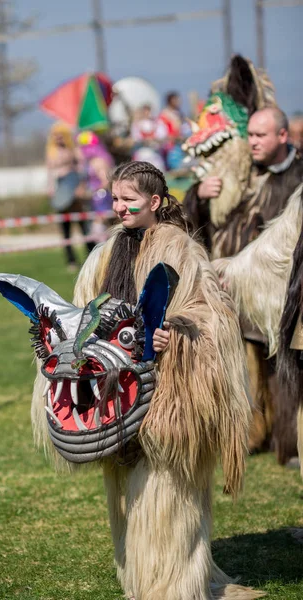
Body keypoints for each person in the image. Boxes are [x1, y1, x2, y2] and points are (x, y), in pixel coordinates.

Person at [29, 161, 259, 599]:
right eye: (114, 199)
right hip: (115, 399)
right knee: (127, 500)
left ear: (154, 201)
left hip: (169, 399)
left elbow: (213, 315)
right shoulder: (104, 253)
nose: (119, 207)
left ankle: (176, 587)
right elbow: (86, 312)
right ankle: (140, 584)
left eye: (128, 199)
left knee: (167, 500)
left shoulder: (181, 250)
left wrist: (174, 330)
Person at [184, 106, 303, 465]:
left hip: (286, 291)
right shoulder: (242, 172)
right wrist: (199, 194)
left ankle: (291, 441)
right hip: (236, 286)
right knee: (247, 368)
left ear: (282, 136)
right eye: (249, 135)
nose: (252, 142)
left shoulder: (300, 174)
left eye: (260, 136)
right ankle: (252, 435)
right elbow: (207, 220)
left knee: (286, 366)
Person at [46, 122, 95, 272]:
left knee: (83, 226)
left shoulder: (74, 150)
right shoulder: (51, 152)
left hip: (74, 188)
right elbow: (49, 171)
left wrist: (81, 186)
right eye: (56, 136)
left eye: (61, 135)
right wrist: (50, 189)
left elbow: (81, 168)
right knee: (65, 229)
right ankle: (71, 260)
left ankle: (92, 256)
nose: (58, 138)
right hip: (60, 190)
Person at [130, 104, 167, 170]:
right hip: (142, 154)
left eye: (148, 111)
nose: (147, 113)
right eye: (145, 111)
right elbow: (135, 139)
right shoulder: (136, 124)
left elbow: (163, 137)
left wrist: (154, 140)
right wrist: (145, 140)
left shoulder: (158, 123)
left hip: (156, 154)